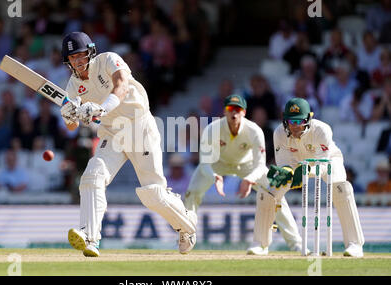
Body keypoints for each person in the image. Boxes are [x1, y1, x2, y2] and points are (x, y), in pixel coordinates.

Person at [59, 32, 197, 257]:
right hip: (111, 133)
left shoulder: (107, 60)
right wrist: (69, 115)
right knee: (92, 176)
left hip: (138, 126)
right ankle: (91, 238)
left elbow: (121, 86)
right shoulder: (72, 86)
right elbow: (72, 126)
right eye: (73, 58)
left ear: (90, 52)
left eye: (81, 55)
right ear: (68, 62)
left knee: (153, 193)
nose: (78, 61)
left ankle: (187, 225)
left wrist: (100, 108)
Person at [184, 94, 303, 255]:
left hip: (247, 166)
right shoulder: (212, 129)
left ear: (244, 112)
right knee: (192, 193)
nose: (234, 114)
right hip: (217, 164)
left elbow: (260, 165)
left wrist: (249, 179)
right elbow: (204, 163)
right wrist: (214, 177)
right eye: (230, 109)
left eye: (238, 110)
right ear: (224, 112)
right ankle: (185, 237)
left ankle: (296, 243)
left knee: (276, 193)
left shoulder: (254, 130)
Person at [262, 98, 365, 257]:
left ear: (308, 118)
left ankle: (355, 245)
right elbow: (284, 165)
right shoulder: (279, 133)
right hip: (297, 164)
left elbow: (323, 165)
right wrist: (287, 174)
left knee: (341, 188)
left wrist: (306, 172)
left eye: (300, 121)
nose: (295, 125)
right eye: (291, 121)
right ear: (285, 120)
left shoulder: (322, 130)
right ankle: (261, 244)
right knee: (269, 192)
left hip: (330, 160)